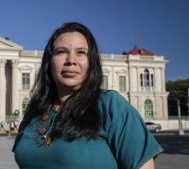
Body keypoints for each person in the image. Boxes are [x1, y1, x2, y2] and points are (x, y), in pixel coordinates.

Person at [12, 22, 163, 169]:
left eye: (81, 53)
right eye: (61, 52)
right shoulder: (35, 108)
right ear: (49, 61)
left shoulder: (110, 105)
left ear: (91, 63)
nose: (71, 60)